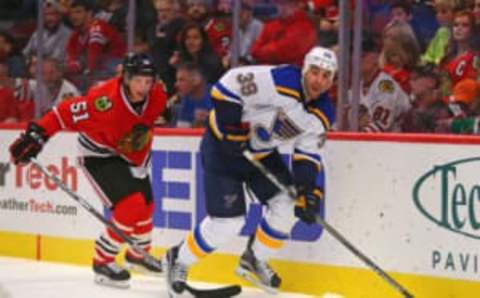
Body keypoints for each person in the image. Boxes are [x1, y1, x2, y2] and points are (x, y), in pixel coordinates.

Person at [164, 46, 337, 295]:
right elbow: (227, 85)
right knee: (228, 223)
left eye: (326, 76)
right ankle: (177, 260)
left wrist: (308, 190)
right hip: (223, 149)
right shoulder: (281, 81)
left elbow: (307, 153)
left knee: (289, 204)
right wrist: (231, 127)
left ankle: (254, 259)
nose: (318, 80)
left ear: (332, 80)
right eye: (315, 72)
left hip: (261, 155)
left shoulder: (322, 113)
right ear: (305, 69)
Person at [8, 53, 167, 288]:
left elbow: (147, 121)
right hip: (99, 153)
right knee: (130, 205)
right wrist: (36, 135)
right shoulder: (103, 101)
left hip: (134, 154)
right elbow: (63, 113)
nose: (144, 87)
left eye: (148, 81)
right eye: (138, 81)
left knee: (146, 205)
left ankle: (138, 255)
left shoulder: (158, 95)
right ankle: (103, 261)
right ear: (126, 78)